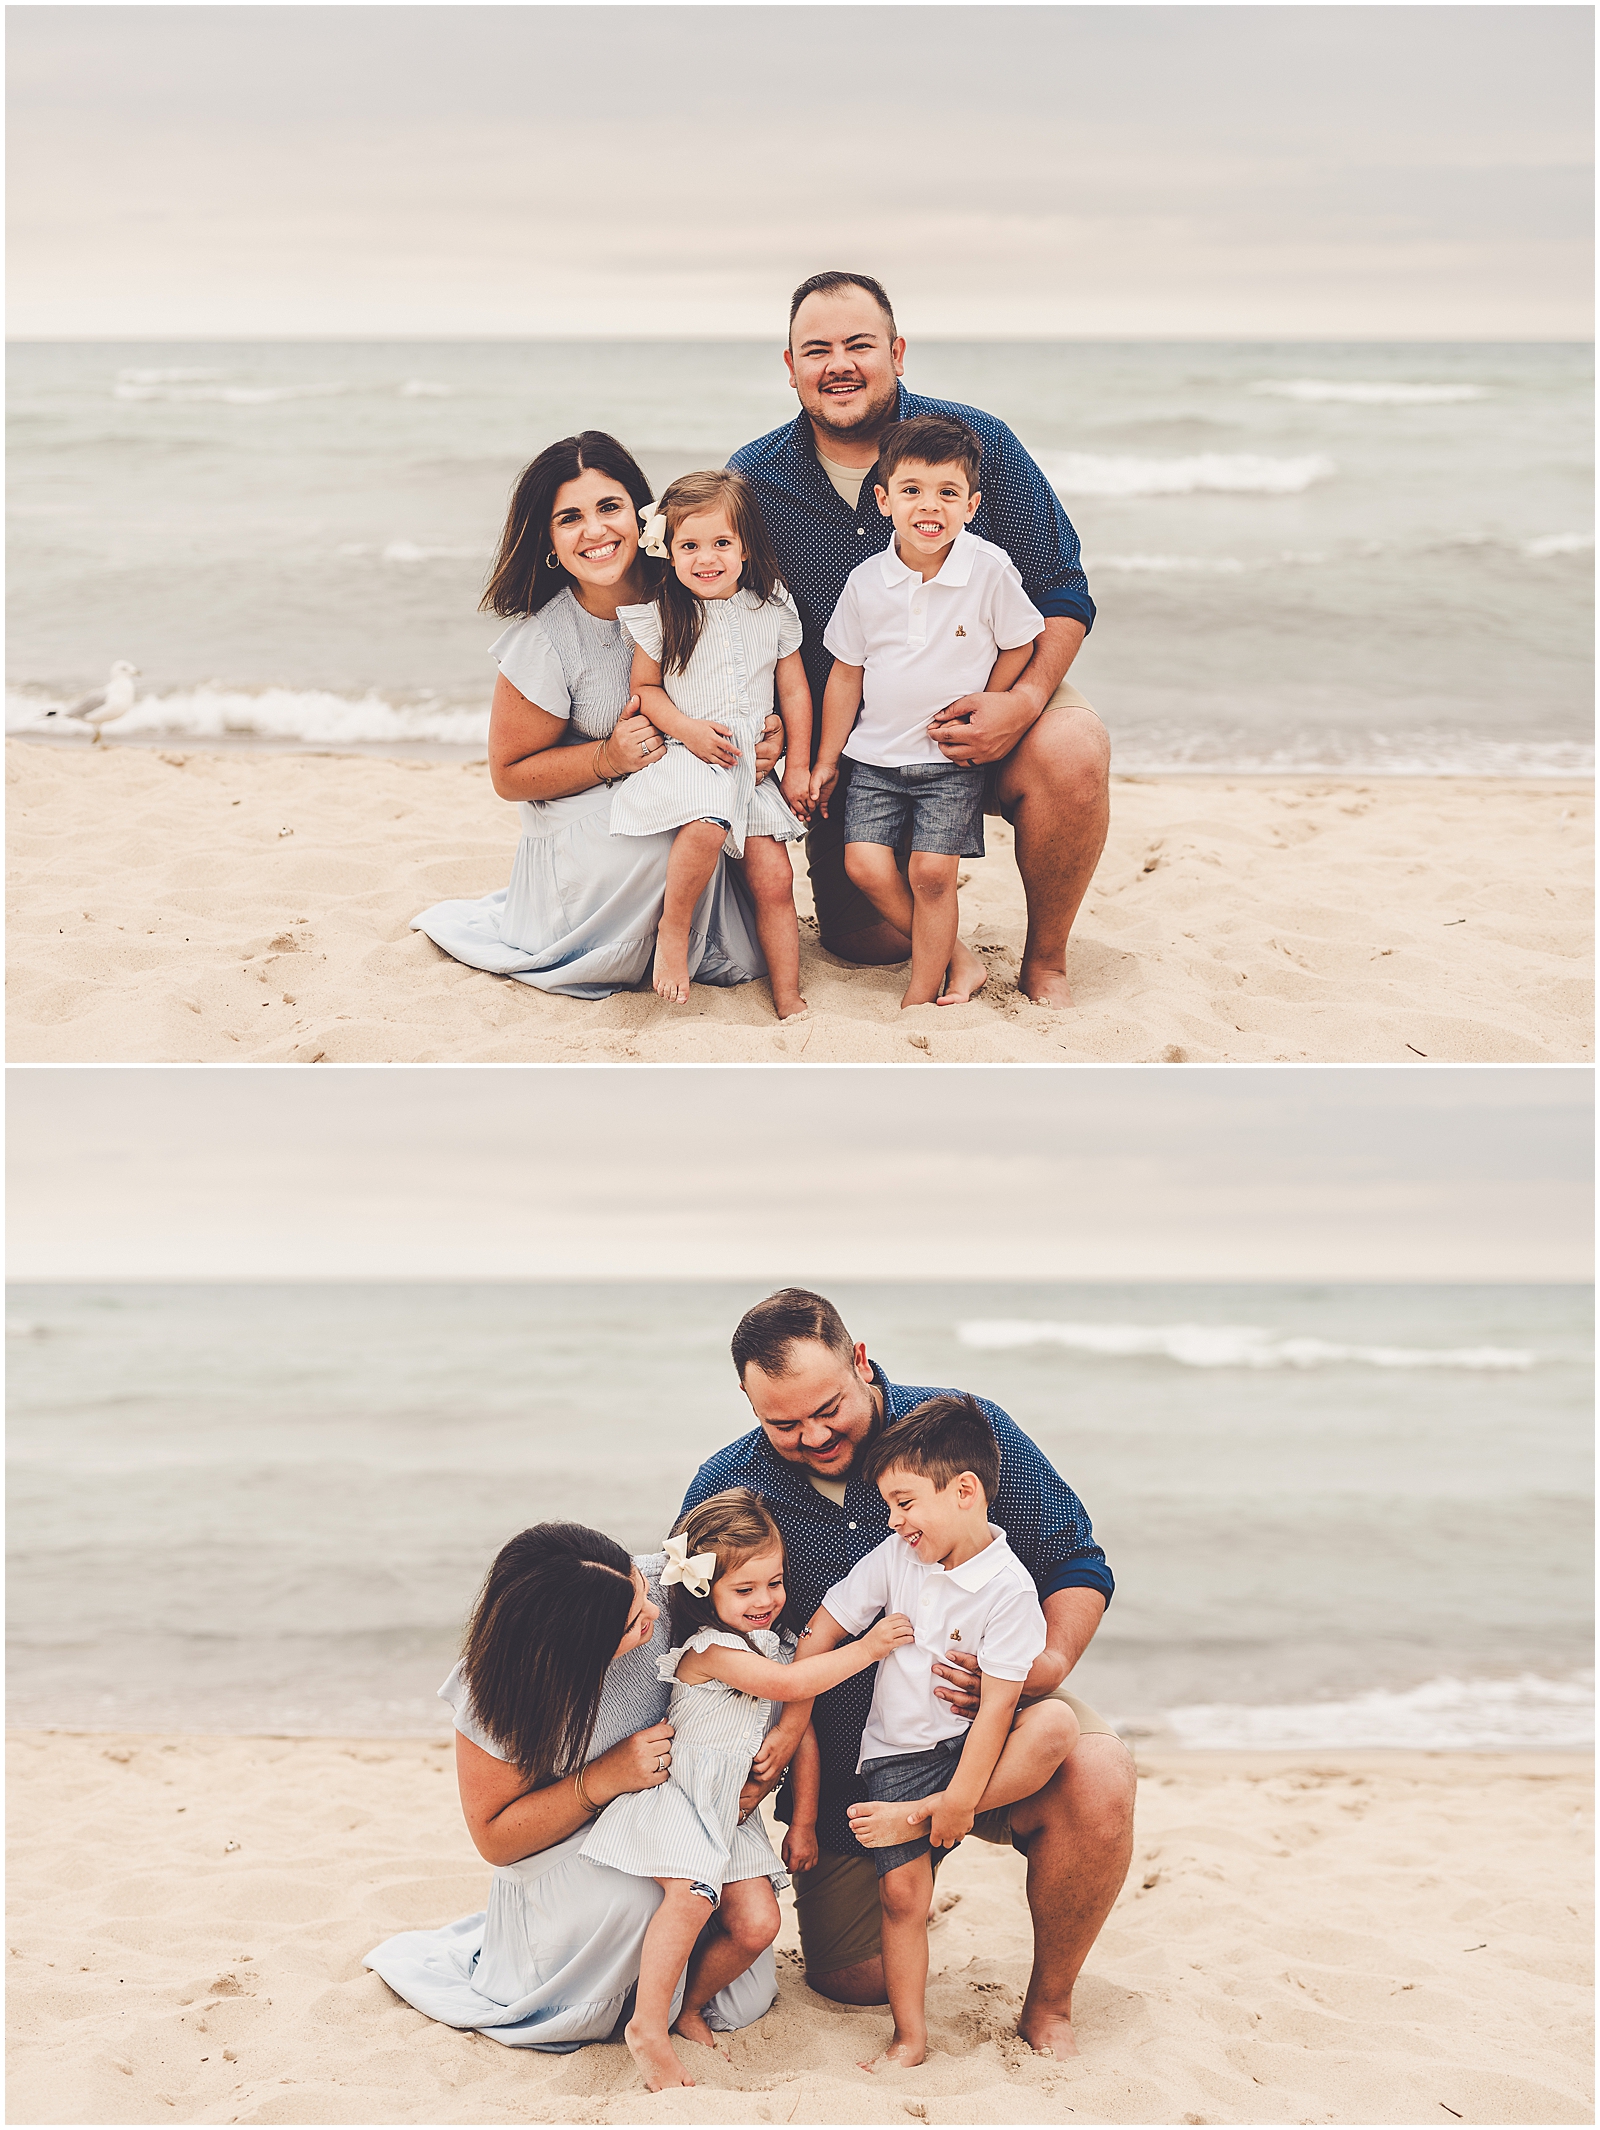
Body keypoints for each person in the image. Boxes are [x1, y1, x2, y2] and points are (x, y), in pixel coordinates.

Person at [680, 1288, 1135, 2059]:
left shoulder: (961, 1430)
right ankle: (922, 1831)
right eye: (782, 1424)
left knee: (1097, 1771)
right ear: (749, 1404)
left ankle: (1049, 2006)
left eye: (828, 1409)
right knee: (853, 1979)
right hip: (861, 1766)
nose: (814, 1435)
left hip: (993, 1719)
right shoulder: (728, 1482)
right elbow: (694, 1625)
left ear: (860, 1362)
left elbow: (1075, 1559)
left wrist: (1043, 1666)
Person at [729, 272, 1109, 1008]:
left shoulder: (978, 443)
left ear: (896, 352)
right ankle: (951, 950)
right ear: (791, 367)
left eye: (859, 345)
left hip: (988, 695)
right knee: (860, 939)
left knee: (1074, 748)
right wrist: (780, 737)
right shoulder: (753, 477)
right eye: (817, 349)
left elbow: (1062, 587)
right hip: (860, 742)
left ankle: (1046, 963)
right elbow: (737, 624)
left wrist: (1024, 702)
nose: (838, 363)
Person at [363, 1522, 781, 2051]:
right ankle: (625, 2007)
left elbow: (780, 1656)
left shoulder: (674, 1586)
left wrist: (775, 1757)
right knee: (635, 1897)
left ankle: (671, 1992)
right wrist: (603, 1778)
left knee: (746, 1994)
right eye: (632, 1623)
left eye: (643, 1592)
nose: (653, 1614)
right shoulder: (500, 1687)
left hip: (678, 1817)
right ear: (573, 1650)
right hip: (567, 1845)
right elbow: (496, 1839)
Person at [411, 432, 782, 1000]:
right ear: (550, 542)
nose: (595, 531)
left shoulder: (695, 584)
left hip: (696, 787)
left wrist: (766, 737)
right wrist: (607, 756)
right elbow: (508, 776)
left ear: (643, 517)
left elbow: (748, 672)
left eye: (610, 507)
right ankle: (645, 939)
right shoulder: (546, 640)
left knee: (718, 833)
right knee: (677, 829)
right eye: (569, 518)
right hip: (585, 820)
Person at [581, 1491, 913, 2090]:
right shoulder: (708, 1651)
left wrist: (804, 1821)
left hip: (731, 1816)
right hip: (681, 1800)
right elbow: (790, 1684)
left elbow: (800, 1732)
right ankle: (646, 2029)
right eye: (746, 1590)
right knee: (691, 1898)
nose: (765, 1601)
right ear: (705, 1590)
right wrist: (866, 1647)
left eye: (775, 1583)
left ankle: (688, 2004)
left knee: (759, 1924)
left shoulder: (775, 1645)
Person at [807, 1396, 1082, 2071]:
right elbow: (830, 1619)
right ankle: (910, 2037)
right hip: (898, 1751)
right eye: (888, 1507)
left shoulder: (1010, 1588)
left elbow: (995, 1710)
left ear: (965, 1491)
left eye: (904, 1503)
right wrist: (792, 1693)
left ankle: (928, 1814)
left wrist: (957, 1801)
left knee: (1057, 1723)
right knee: (902, 1896)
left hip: (972, 1748)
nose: (894, 1520)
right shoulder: (895, 1558)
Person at [810, 413, 1046, 1008]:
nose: (929, 506)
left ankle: (922, 991)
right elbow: (845, 673)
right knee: (864, 865)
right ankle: (960, 959)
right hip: (874, 757)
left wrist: (995, 700)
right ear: (884, 500)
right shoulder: (866, 582)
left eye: (948, 492)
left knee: (932, 874)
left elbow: (1022, 639)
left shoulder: (988, 569)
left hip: (947, 759)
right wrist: (827, 759)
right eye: (912, 491)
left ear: (971, 505)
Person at [611, 470, 811, 1016]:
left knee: (777, 878)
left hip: (752, 770)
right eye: (690, 545)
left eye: (722, 543)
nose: (707, 558)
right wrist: (688, 730)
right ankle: (673, 928)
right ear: (668, 552)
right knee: (706, 825)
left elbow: (793, 689)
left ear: (745, 546)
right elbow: (645, 691)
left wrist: (799, 763)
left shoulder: (771, 608)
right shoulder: (663, 614)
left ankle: (788, 994)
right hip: (694, 757)